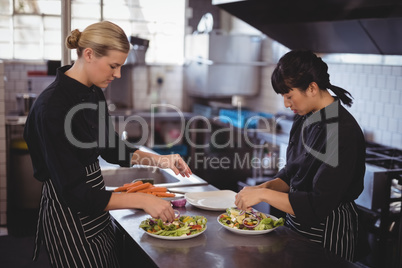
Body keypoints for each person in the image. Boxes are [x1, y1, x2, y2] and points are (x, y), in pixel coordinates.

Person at [23, 21, 192, 268]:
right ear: (89, 54)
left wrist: (160, 160)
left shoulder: (92, 92)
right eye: (114, 66)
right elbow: (75, 194)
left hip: (97, 209)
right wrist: (143, 200)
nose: (118, 74)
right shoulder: (52, 108)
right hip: (69, 216)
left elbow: (112, 148)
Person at [235, 50, 366, 262]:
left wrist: (265, 196)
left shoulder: (341, 131)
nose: (286, 104)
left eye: (289, 96)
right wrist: (263, 188)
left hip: (327, 232)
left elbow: (317, 206)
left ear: (312, 88)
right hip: (296, 224)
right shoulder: (305, 116)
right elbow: (292, 174)